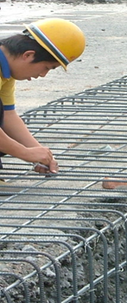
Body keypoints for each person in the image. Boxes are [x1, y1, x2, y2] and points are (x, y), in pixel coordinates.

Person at [0, 18, 86, 182]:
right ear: (28, 55)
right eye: (46, 67)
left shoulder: (6, 69)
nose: (43, 75)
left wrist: (39, 152)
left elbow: (8, 116)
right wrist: (24, 152)